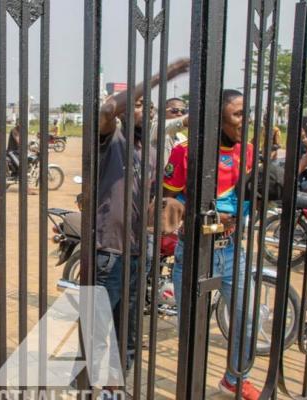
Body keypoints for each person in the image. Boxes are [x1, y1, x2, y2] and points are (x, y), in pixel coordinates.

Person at [95, 58, 189, 370]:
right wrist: (159, 78)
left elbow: (149, 202)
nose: (144, 109)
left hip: (139, 253)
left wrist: (166, 211)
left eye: (147, 106)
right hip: (109, 251)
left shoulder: (150, 154)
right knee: (94, 335)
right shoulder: (111, 140)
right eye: (136, 104)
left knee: (130, 338)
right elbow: (107, 111)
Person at [166, 89, 261, 399]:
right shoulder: (185, 151)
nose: (245, 120)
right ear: (217, 119)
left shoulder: (246, 151)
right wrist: (189, 209)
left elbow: (247, 197)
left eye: (246, 113)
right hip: (196, 251)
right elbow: (167, 198)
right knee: (192, 330)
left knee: (247, 318)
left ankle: (235, 379)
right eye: (237, 114)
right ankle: (190, 387)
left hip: (233, 250)